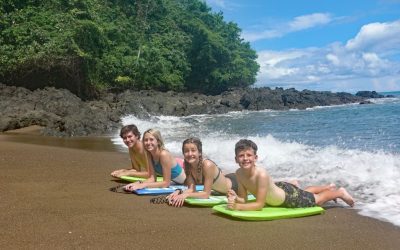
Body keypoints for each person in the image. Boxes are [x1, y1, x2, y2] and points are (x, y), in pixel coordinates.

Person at [227, 139, 355, 211]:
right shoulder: (238, 173)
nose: (245, 158)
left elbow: (259, 205)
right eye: (241, 156)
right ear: (236, 159)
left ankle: (339, 192)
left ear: (256, 158)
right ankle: (327, 187)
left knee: (317, 200)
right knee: (303, 193)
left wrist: (238, 207)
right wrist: (236, 198)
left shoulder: (261, 175)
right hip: (280, 189)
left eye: (249, 155)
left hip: (287, 198)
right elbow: (244, 199)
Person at [167, 137, 239, 207]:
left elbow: (206, 194)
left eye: (193, 150)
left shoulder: (207, 165)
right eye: (186, 151)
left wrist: (185, 195)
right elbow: (192, 190)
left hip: (236, 185)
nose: (189, 154)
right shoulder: (188, 165)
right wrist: (179, 192)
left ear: (200, 153)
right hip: (225, 181)